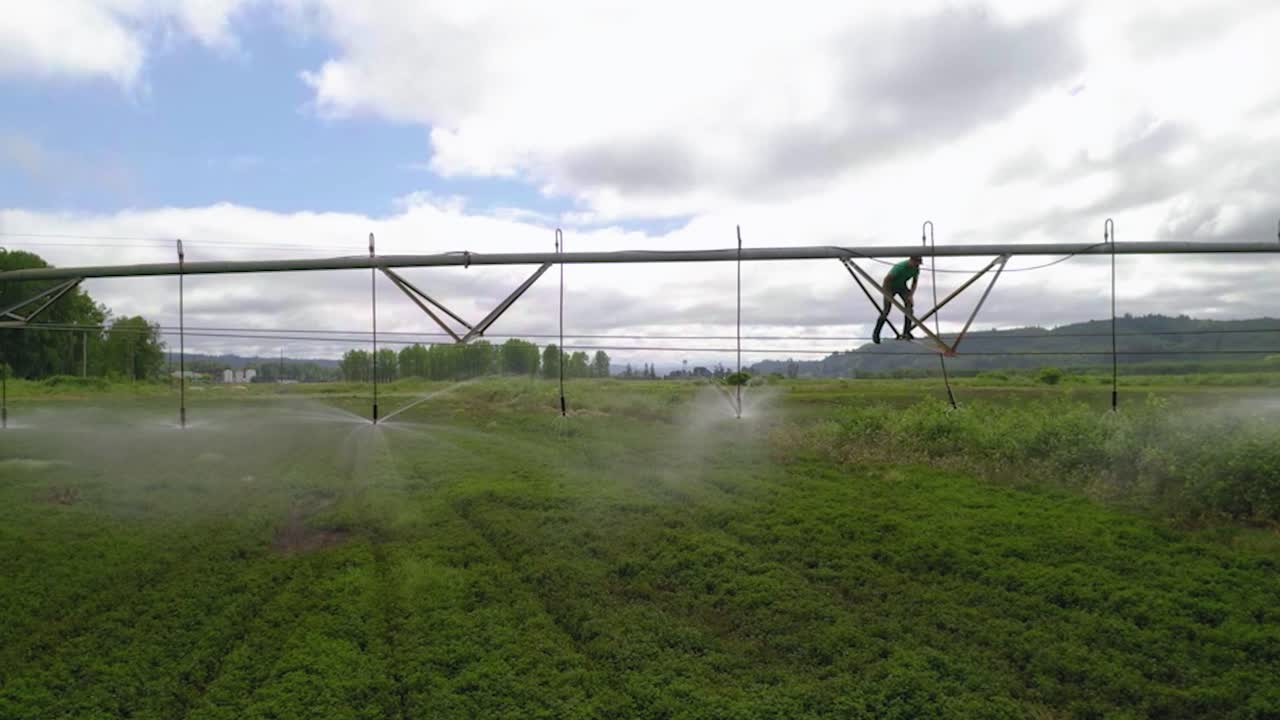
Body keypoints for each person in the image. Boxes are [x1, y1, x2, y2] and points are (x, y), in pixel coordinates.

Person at [872, 255, 922, 344]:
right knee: (886, 310)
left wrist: (910, 295)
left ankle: (906, 332)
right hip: (890, 286)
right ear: (911, 260)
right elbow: (887, 279)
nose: (917, 265)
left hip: (901, 286)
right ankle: (876, 334)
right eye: (916, 263)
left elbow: (914, 282)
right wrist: (887, 294)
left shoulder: (916, 269)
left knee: (909, 307)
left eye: (918, 263)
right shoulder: (900, 267)